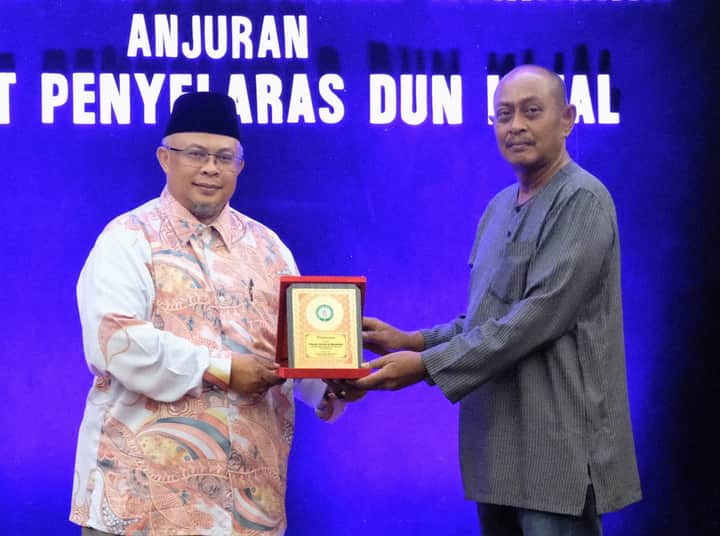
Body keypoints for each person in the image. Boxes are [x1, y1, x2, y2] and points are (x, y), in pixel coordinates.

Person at [354, 65, 642, 535]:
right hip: (498, 454)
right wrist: (412, 341)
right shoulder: (498, 207)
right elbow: (487, 317)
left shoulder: (583, 200)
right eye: (504, 114)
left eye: (532, 111)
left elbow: (535, 318)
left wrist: (425, 366)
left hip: (558, 455)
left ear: (567, 119)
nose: (516, 126)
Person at [70, 91, 344, 536]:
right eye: (196, 154)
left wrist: (329, 383)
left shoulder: (269, 248)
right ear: (165, 158)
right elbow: (117, 343)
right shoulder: (127, 239)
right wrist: (224, 368)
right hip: (140, 507)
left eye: (224, 157)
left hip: (248, 507)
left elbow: (288, 346)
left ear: (240, 165)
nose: (210, 168)